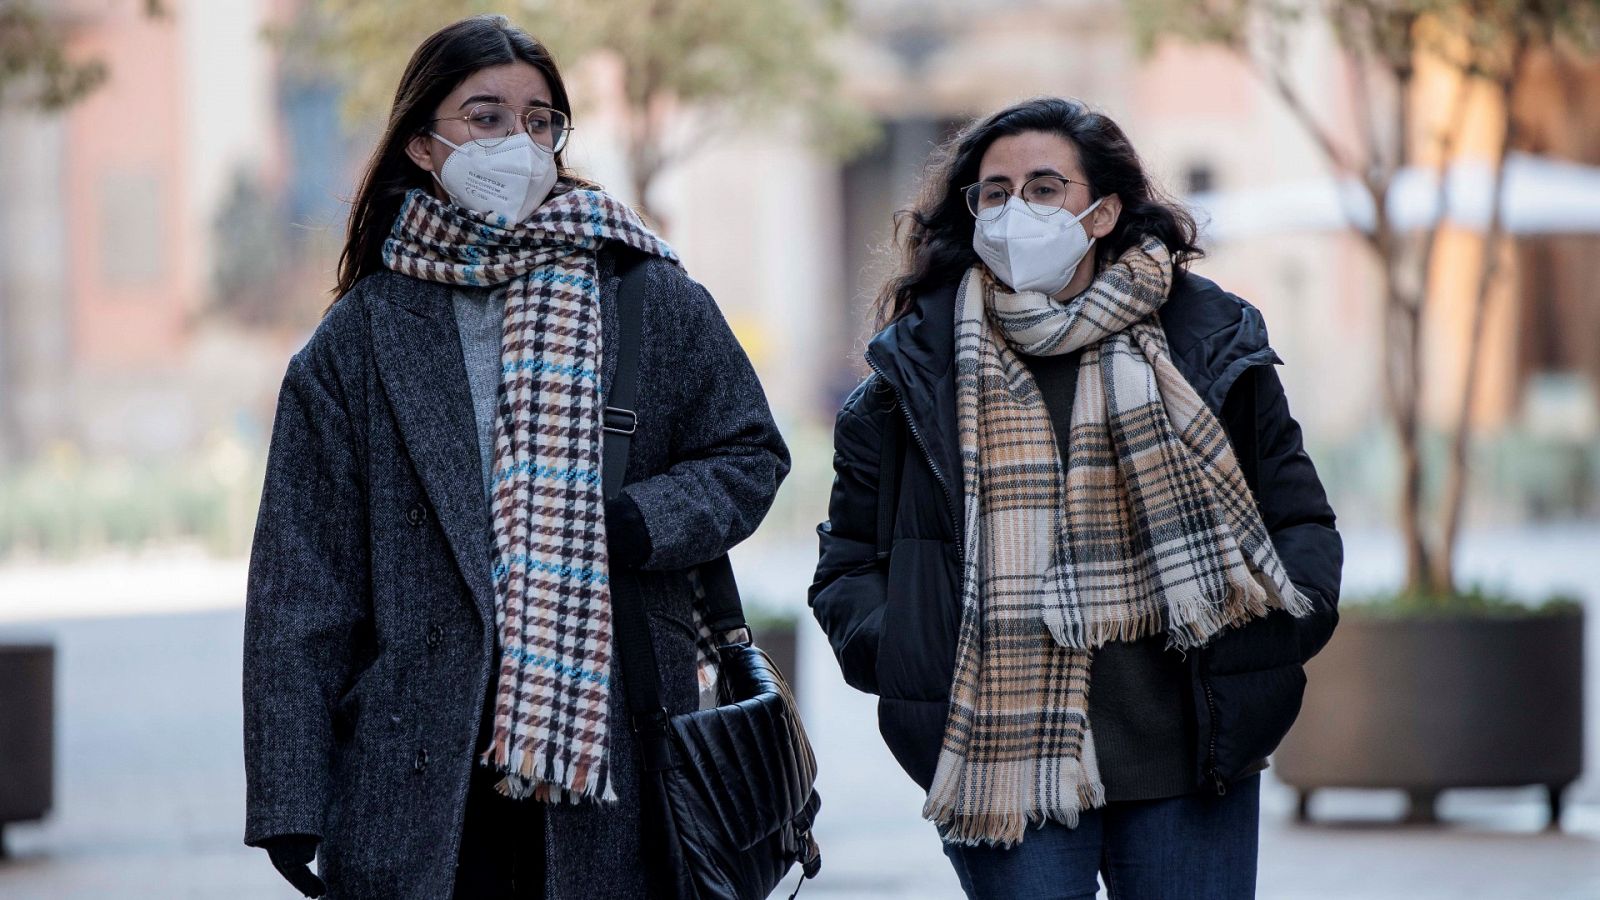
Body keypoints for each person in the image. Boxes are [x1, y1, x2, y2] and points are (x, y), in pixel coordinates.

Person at [242, 15, 788, 900]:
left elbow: (749, 450)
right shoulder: (360, 337)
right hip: (415, 763)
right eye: (486, 117)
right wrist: (290, 793)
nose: (518, 143)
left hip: (614, 745)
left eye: (540, 121)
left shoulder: (644, 292)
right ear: (423, 145)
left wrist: (635, 521)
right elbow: (302, 584)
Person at [809, 97, 1342, 900]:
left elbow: (1298, 519)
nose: (1016, 209)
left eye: (1045, 187)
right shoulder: (912, 377)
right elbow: (848, 564)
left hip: (1188, 759)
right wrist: (909, 657)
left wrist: (1268, 639)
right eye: (994, 192)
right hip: (1001, 761)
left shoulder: (1208, 344)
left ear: (1103, 212)